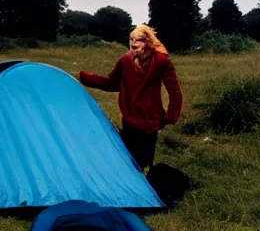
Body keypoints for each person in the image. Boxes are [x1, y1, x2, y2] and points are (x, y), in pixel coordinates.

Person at [78, 24, 183, 172]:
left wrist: (169, 118)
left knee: (142, 164)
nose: (133, 43)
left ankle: (142, 189)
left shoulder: (161, 61)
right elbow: (113, 83)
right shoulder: (125, 61)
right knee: (129, 163)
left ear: (147, 41)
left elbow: (175, 93)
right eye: (131, 39)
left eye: (138, 40)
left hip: (150, 123)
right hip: (129, 121)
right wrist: (85, 78)